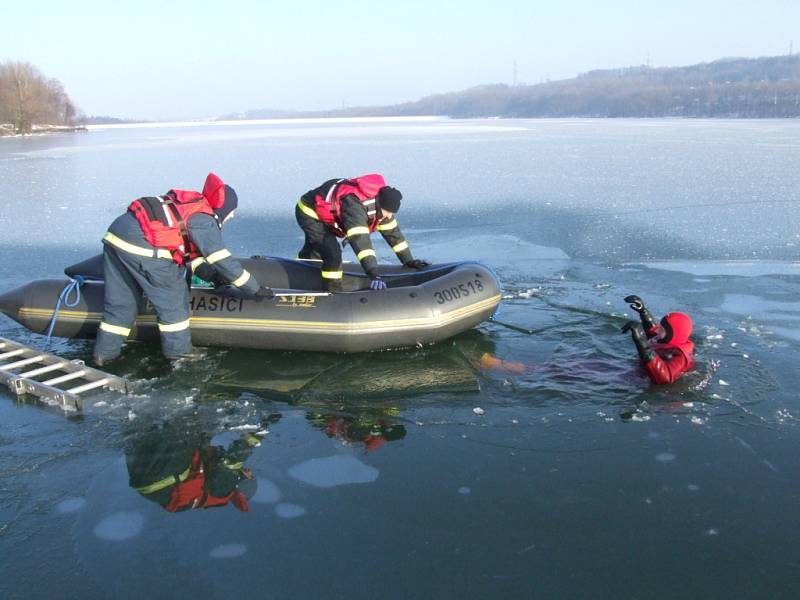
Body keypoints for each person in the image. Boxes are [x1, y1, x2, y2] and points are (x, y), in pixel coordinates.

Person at [93, 172, 272, 365]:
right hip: (144, 248)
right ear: (224, 208)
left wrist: (213, 276)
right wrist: (254, 289)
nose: (233, 215)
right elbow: (222, 260)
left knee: (121, 303)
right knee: (175, 299)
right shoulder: (204, 219)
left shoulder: (190, 206)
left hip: (115, 238)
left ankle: (104, 354)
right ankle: (178, 353)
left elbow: (187, 255)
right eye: (232, 210)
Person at [295, 173, 429, 292]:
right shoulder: (355, 207)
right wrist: (373, 274)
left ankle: (302, 271)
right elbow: (361, 243)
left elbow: (395, 237)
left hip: (330, 216)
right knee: (332, 253)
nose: (389, 216)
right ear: (380, 206)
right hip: (310, 213)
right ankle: (332, 292)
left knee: (318, 250)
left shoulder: (381, 210)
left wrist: (409, 261)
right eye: (388, 213)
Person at [621, 295, 695, 384]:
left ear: (674, 334)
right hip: (636, 370)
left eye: (662, 329)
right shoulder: (666, 339)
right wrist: (643, 312)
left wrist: (641, 340)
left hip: (650, 385)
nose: (658, 330)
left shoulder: (681, 357)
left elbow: (665, 377)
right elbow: (652, 330)